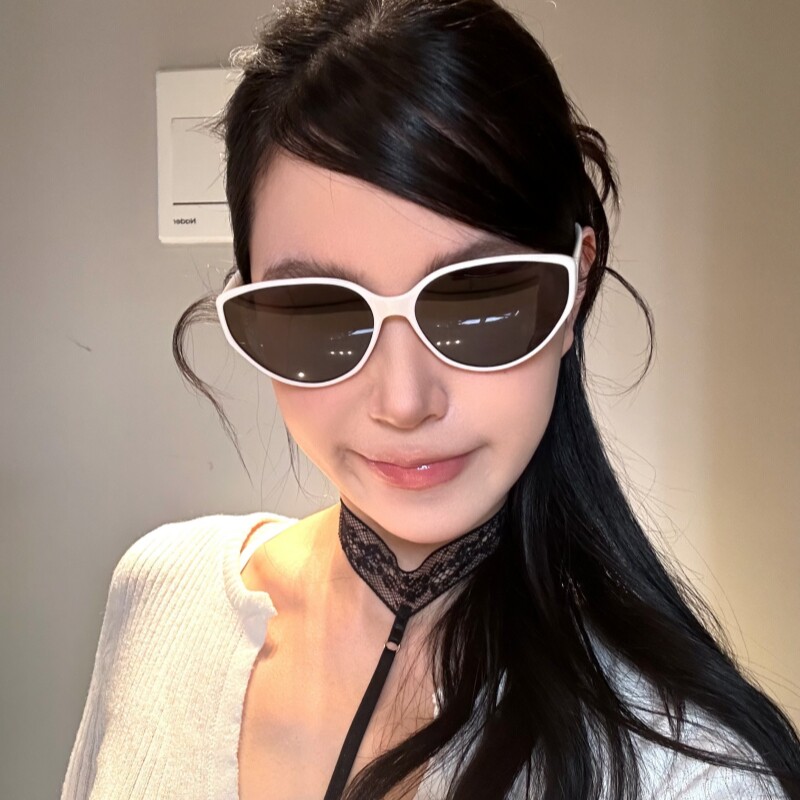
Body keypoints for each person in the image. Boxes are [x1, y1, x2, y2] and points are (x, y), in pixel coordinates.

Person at [61, 1, 800, 798]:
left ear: (575, 289)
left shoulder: (696, 774)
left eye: (477, 300)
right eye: (319, 311)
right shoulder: (161, 596)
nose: (403, 400)